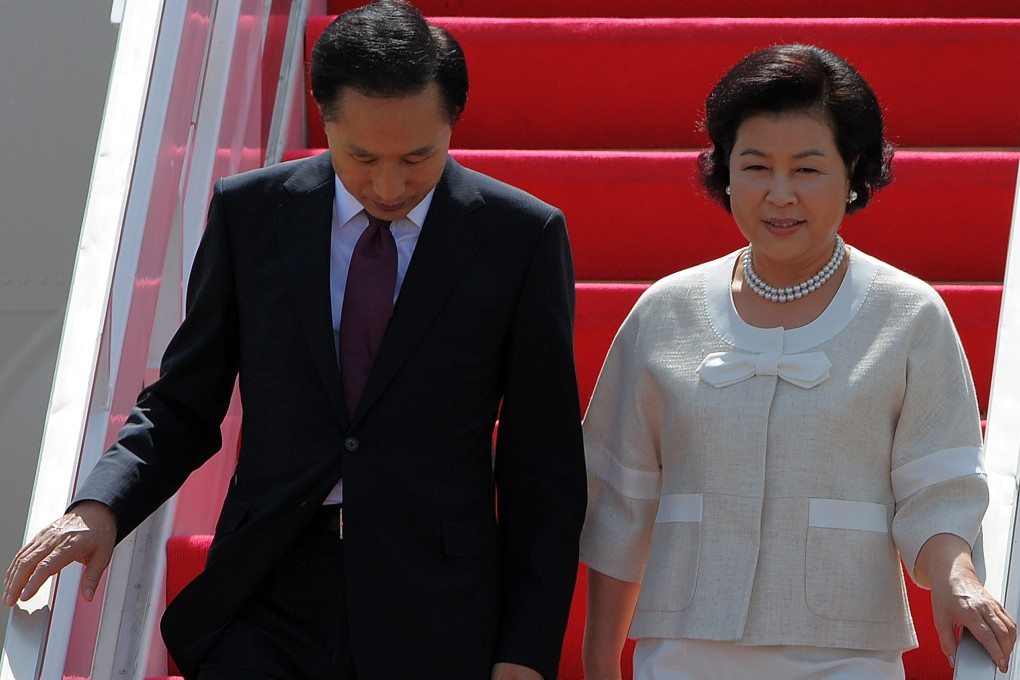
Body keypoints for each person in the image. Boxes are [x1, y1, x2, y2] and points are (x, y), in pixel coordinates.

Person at [3, 2, 587, 678]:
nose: (389, 185)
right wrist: (101, 505)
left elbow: (542, 462)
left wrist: (524, 653)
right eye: (361, 156)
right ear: (325, 119)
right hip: (267, 590)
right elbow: (185, 400)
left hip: (436, 605)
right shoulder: (250, 214)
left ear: (452, 123)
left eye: (418, 157)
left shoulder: (520, 237)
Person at [578, 44, 1016, 680]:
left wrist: (958, 577)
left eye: (808, 170)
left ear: (854, 170)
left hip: (848, 654)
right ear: (725, 169)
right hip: (682, 652)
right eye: (755, 166)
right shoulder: (663, 314)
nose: (779, 195)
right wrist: (598, 660)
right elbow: (621, 500)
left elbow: (938, 490)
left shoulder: (909, 315)